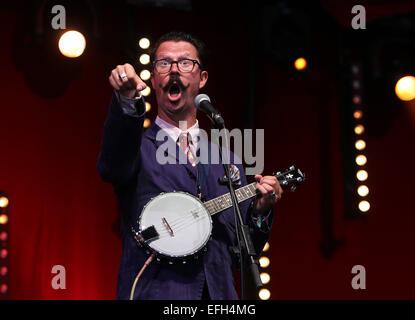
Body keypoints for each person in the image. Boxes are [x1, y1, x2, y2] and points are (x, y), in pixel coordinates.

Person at [97, 31, 282, 300]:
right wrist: (126, 102)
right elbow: (110, 167)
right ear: (153, 78)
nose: (174, 70)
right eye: (164, 63)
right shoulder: (136, 147)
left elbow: (244, 252)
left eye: (185, 63)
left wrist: (261, 211)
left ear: (202, 79)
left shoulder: (227, 161)